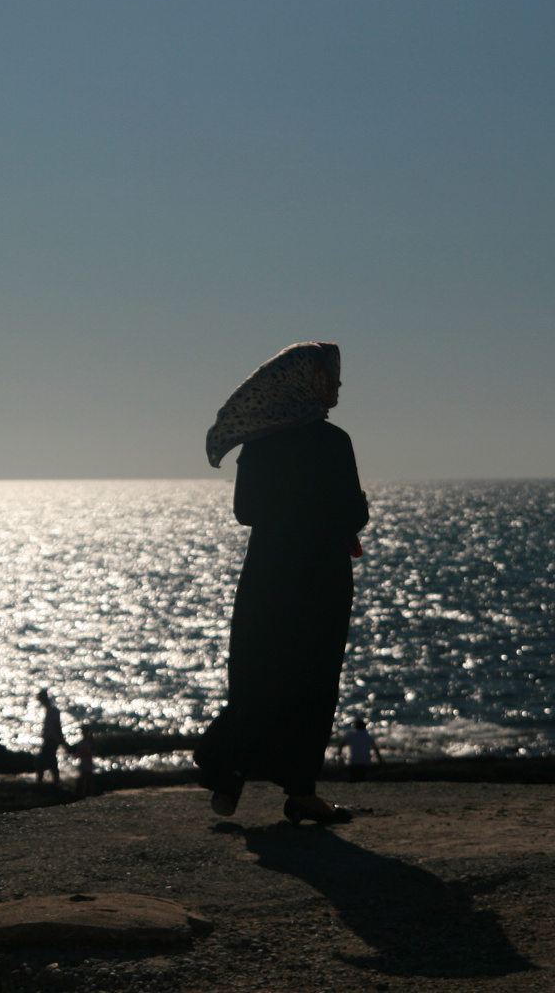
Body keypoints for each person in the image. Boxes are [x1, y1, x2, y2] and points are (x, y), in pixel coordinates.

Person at [194, 342, 369, 826]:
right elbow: (353, 514)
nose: (337, 386)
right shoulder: (335, 443)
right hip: (322, 577)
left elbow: (245, 512)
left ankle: (226, 765)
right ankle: (300, 791)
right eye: (329, 376)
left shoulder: (260, 443)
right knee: (312, 679)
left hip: (269, 574)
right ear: (306, 382)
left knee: (259, 671)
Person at [34, 689, 68, 784]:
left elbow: (57, 726)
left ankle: (43, 780)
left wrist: (61, 739)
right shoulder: (50, 710)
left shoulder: (53, 710)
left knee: (43, 760)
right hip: (50, 739)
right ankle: (54, 780)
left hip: (51, 740)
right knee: (50, 760)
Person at [338, 717, 384, 782]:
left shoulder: (350, 734)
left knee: (353, 779)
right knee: (362, 778)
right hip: (365, 762)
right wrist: (380, 762)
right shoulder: (367, 736)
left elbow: (341, 744)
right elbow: (375, 749)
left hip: (354, 761)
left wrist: (340, 756)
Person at [74, 724, 96, 797]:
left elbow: (94, 748)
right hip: (84, 761)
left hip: (87, 760)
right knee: (85, 777)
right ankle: (85, 793)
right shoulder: (82, 742)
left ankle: (89, 793)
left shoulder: (88, 741)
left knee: (88, 777)